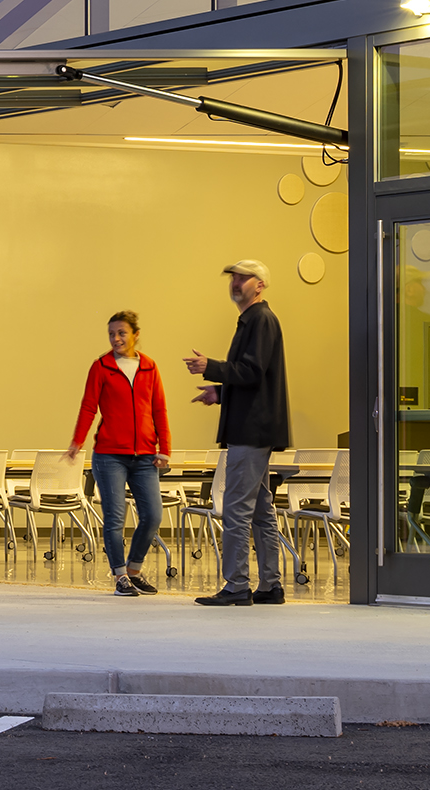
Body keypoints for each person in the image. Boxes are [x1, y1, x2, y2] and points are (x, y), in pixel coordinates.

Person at [182, 257, 288, 606]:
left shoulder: (260, 320)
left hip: (250, 430)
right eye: (233, 278)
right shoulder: (253, 320)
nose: (236, 283)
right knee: (260, 510)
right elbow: (254, 378)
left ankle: (237, 585)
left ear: (260, 285)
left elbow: (252, 371)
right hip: (255, 428)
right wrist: (221, 392)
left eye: (244, 278)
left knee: (236, 509)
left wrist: (211, 367)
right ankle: (270, 585)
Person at [71, 309, 170, 594]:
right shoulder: (101, 366)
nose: (116, 339)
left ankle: (134, 570)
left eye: (122, 333)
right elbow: (88, 406)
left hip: (145, 456)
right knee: (115, 518)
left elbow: (159, 409)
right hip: (109, 455)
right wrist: (77, 441)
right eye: (112, 334)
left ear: (135, 335)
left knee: (152, 516)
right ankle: (119, 576)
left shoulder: (149, 367)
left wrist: (165, 448)